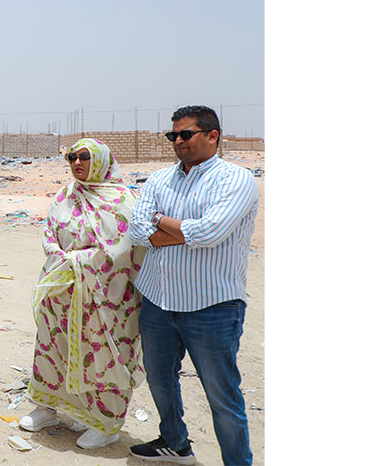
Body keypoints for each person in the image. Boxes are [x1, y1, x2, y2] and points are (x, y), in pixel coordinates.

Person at [125, 105, 259, 465]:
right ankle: (175, 443)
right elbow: (136, 231)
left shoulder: (235, 179)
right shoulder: (159, 180)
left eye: (186, 134)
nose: (178, 141)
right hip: (158, 301)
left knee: (221, 395)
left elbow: (211, 232)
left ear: (213, 136)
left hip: (211, 306)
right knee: (160, 380)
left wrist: (159, 220)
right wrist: (183, 230)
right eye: (173, 135)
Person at [17, 138, 147, 450]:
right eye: (72, 157)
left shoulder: (123, 200)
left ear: (101, 160)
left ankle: (105, 423)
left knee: (103, 355)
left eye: (85, 157)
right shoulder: (66, 194)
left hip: (105, 298)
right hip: (61, 291)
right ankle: (48, 407)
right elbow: (50, 232)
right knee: (54, 347)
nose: (77, 163)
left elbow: (123, 249)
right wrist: (58, 255)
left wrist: (77, 260)